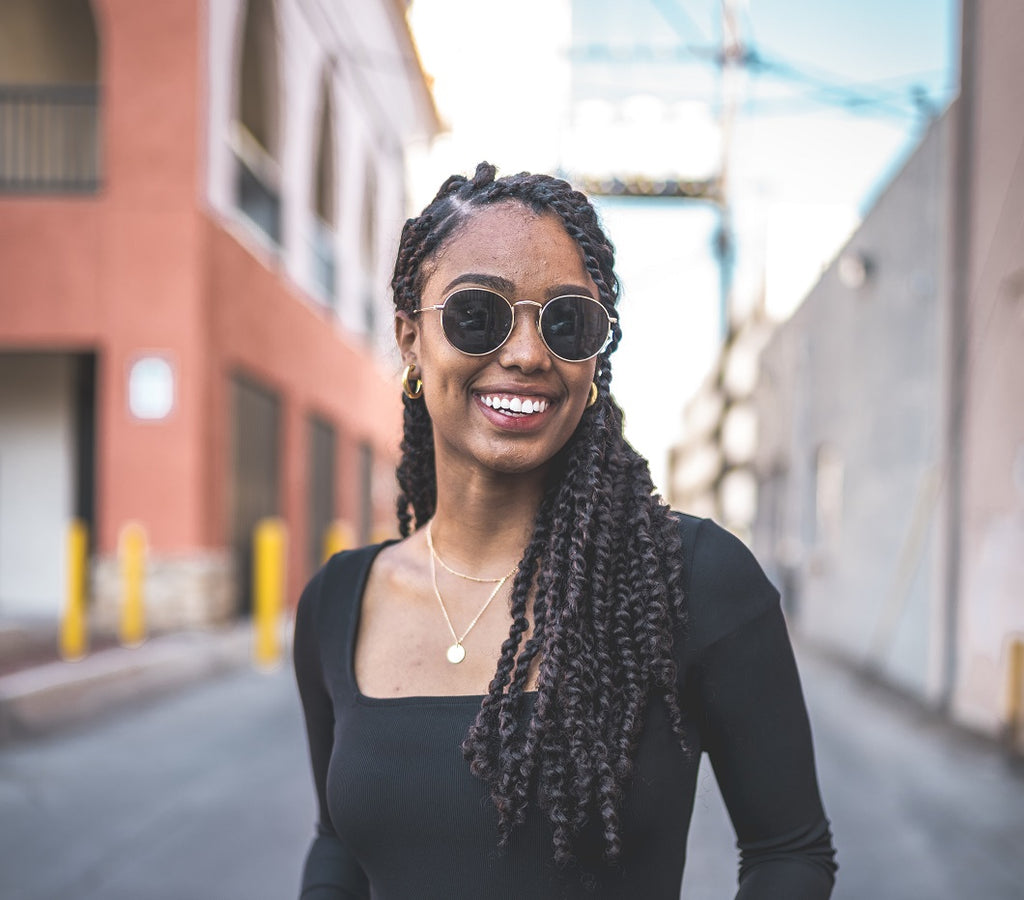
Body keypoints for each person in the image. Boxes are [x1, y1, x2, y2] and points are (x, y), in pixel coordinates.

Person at [294, 162, 837, 899]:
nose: (526, 354)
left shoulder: (694, 580)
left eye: (566, 321)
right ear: (410, 341)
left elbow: (788, 852)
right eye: (477, 313)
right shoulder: (337, 603)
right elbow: (338, 844)